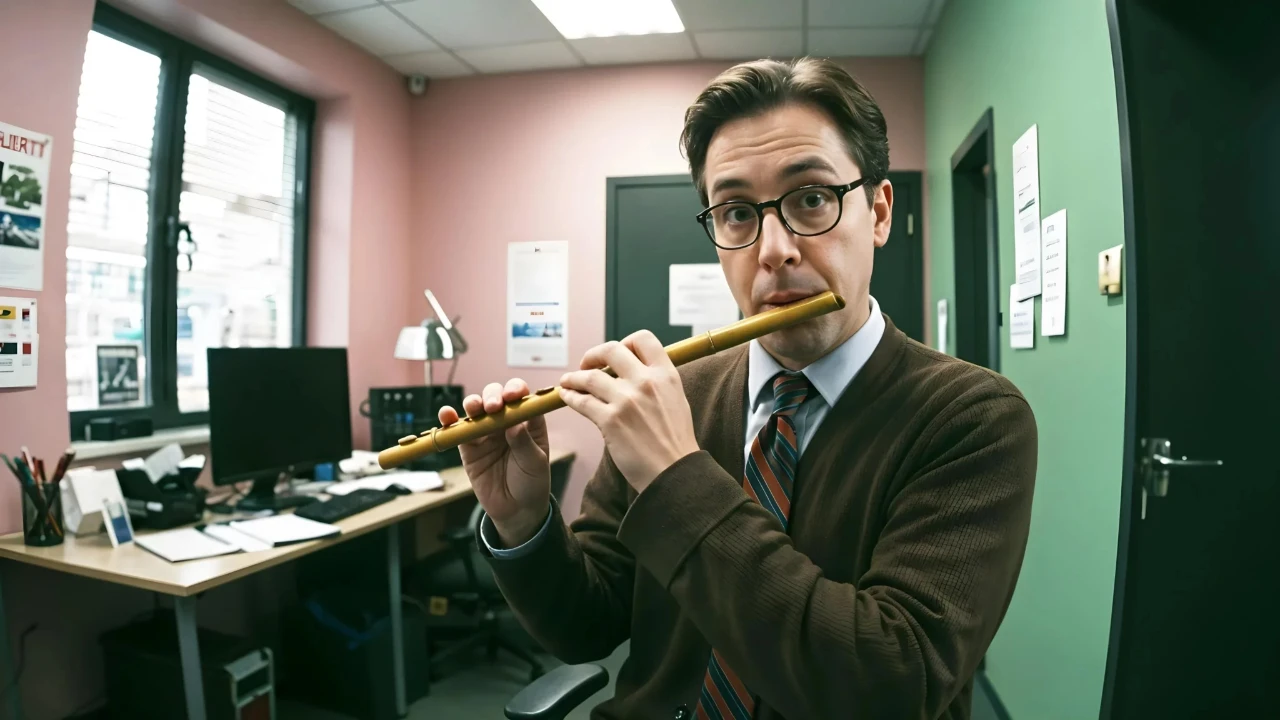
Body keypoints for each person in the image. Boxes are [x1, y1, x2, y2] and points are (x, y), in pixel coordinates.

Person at [439, 57, 1038, 720]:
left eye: (811, 198)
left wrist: (677, 475)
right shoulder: (673, 396)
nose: (774, 249)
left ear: (878, 212)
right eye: (736, 213)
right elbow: (589, 625)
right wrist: (525, 522)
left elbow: (892, 684)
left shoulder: (974, 417)